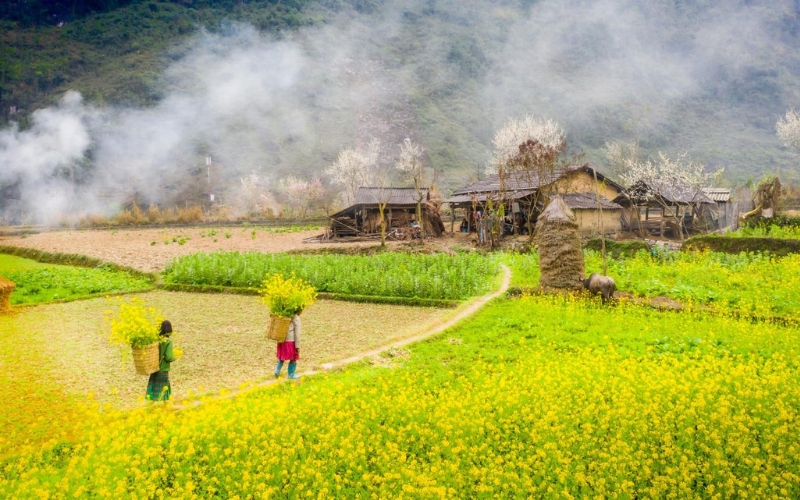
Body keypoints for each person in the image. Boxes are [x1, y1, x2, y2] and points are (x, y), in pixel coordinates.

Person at [146, 320, 176, 401]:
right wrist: (174, 358)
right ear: (170, 329)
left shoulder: (156, 340)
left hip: (154, 367)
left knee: (154, 388)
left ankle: (151, 406)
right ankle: (166, 406)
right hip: (163, 368)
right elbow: (168, 357)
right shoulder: (168, 341)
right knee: (163, 388)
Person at [275, 314, 301, 380]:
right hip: (290, 341)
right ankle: (291, 375)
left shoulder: (282, 315)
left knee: (282, 357)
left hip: (282, 339)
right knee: (293, 358)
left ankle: (277, 372)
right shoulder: (296, 317)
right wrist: (297, 346)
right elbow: (297, 333)